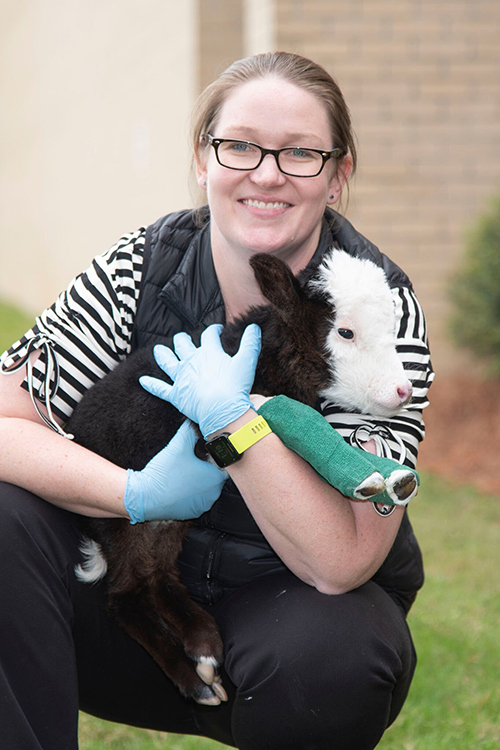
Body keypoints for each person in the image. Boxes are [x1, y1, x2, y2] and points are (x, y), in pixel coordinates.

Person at [0, 52, 433, 750]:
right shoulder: (138, 271)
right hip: (120, 596)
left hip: (281, 623)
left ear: (339, 174)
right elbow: (3, 422)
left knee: (338, 657)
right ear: (203, 160)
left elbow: (342, 559)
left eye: (300, 153)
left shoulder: (372, 314)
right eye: (239, 145)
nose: (265, 173)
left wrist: (232, 423)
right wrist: (137, 491)